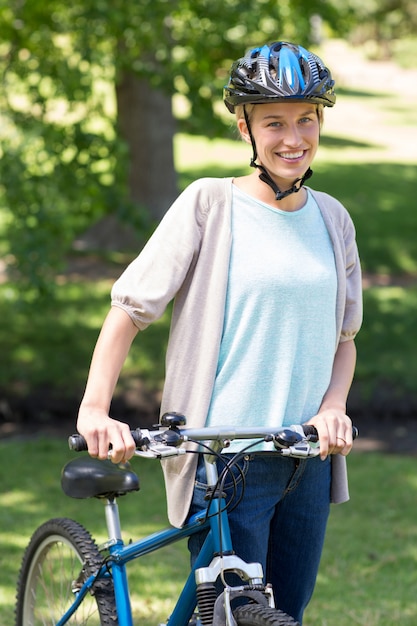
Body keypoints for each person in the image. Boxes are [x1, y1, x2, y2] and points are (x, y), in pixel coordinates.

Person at [77, 41, 362, 623]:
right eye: (274, 122)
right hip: (224, 459)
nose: (293, 138)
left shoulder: (333, 218)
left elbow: (344, 339)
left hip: (304, 456)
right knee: (233, 614)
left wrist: (334, 407)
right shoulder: (210, 204)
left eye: (306, 120)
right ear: (245, 128)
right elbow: (129, 310)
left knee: (289, 614)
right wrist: (95, 409)